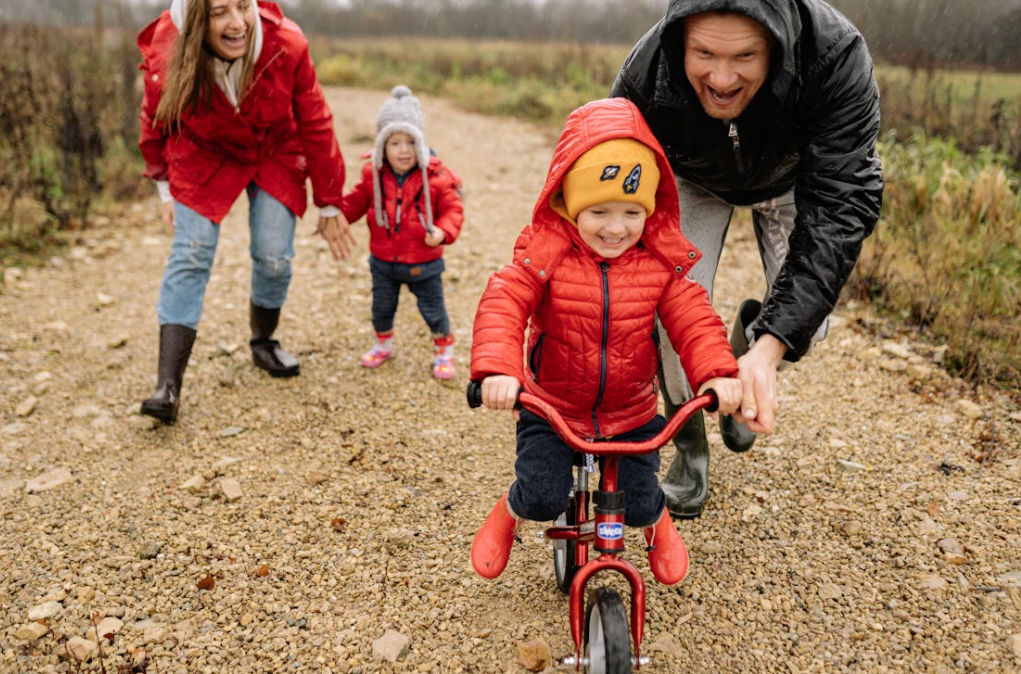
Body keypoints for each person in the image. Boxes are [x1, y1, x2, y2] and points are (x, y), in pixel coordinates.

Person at [611, 0, 884, 518]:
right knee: (668, 315)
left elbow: (841, 206)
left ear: (777, 46)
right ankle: (689, 447)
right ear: (680, 42)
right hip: (692, 177)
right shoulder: (646, 74)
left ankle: (746, 351)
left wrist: (770, 346)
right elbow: (600, 175)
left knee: (809, 321)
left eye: (744, 56)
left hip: (791, 180)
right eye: (704, 53)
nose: (720, 76)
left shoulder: (836, 57)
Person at [468, 98, 743, 586]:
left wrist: (717, 372)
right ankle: (510, 512)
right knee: (541, 494)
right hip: (551, 406)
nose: (616, 229)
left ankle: (657, 521)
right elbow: (505, 300)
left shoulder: (659, 264)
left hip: (630, 412)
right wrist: (499, 370)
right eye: (598, 211)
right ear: (570, 204)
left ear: (650, 208)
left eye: (631, 212)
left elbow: (694, 317)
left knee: (639, 502)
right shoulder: (546, 253)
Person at [137, 0, 355, 423]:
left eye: (243, 6)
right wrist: (164, 188)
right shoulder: (167, 50)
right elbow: (154, 120)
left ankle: (263, 341)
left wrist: (329, 201)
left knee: (274, 256)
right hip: (202, 152)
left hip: (272, 149)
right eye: (220, 12)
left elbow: (316, 122)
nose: (237, 23)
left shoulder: (286, 44)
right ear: (196, 20)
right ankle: (168, 386)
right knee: (192, 251)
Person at [339, 85, 464, 380]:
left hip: (424, 261)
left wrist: (443, 232)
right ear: (382, 146)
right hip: (383, 260)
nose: (404, 149)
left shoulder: (435, 177)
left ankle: (444, 350)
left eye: (411, 141)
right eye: (395, 142)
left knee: (433, 310)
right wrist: (337, 216)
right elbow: (356, 201)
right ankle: (383, 344)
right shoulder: (373, 175)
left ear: (420, 144)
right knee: (381, 307)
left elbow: (454, 209)